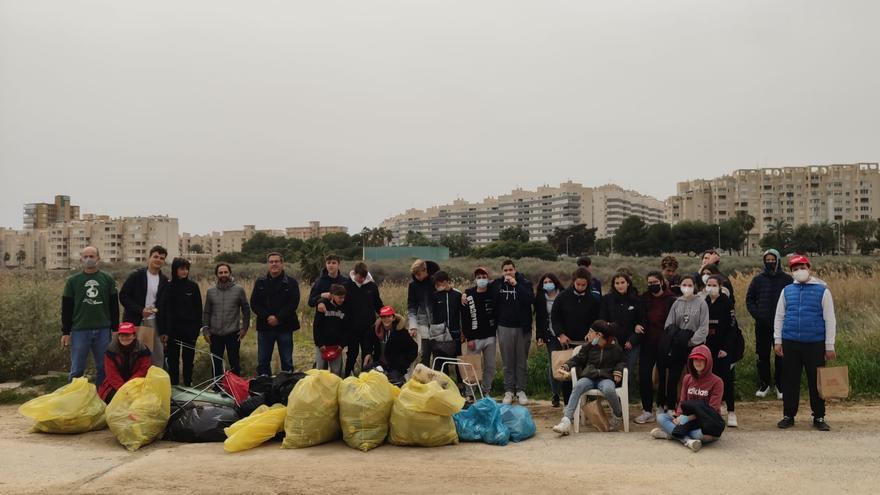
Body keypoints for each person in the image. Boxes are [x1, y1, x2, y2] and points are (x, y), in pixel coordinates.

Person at [774, 255, 837, 431]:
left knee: (816, 381)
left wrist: (829, 345)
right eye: (795, 269)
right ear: (791, 272)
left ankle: (819, 416)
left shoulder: (822, 290)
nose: (798, 271)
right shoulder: (787, 290)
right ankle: (788, 415)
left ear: (809, 268)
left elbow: (829, 319)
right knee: (790, 380)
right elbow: (779, 316)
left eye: (801, 267)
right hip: (790, 341)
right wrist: (777, 340)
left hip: (815, 343)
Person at [552, 320, 626, 435]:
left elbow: (621, 362)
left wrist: (618, 371)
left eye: (591, 332)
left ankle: (618, 415)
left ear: (599, 335)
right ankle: (566, 421)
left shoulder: (615, 348)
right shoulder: (588, 346)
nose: (588, 334)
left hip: (606, 378)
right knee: (578, 386)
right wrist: (566, 365)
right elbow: (577, 358)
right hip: (589, 377)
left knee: (609, 389)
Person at [61, 246, 119, 388]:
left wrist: (116, 328)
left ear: (98, 258)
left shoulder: (107, 279)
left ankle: (102, 397)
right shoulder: (73, 281)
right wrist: (66, 332)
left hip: (103, 330)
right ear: (81, 259)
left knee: (104, 367)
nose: (88, 259)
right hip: (80, 330)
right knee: (77, 369)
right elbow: (66, 308)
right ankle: (73, 398)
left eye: (92, 256)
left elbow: (114, 306)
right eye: (85, 256)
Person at [651, 345, 724, 452]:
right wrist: (679, 417)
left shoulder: (717, 382)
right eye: (695, 359)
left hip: (706, 422)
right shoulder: (687, 378)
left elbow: (712, 410)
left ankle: (670, 435)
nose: (698, 362)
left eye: (701, 360)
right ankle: (688, 441)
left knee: (699, 435)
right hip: (686, 422)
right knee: (661, 417)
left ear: (708, 361)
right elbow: (682, 400)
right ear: (691, 361)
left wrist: (687, 419)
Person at [746, 248, 792, 399]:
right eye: (768, 259)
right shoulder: (758, 280)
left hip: (782, 326)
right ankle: (764, 384)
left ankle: (781, 386)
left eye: (773, 259)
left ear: (778, 260)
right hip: (762, 325)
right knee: (762, 356)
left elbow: (792, 299)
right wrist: (758, 315)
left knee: (782, 356)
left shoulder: (787, 279)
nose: (770, 262)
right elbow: (750, 300)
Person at [660, 274, 709, 413]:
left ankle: (695, 406)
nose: (687, 288)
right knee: (674, 376)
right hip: (677, 345)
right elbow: (669, 324)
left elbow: (704, 327)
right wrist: (677, 338)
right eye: (684, 285)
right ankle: (670, 406)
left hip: (694, 346)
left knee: (695, 376)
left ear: (694, 287)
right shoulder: (677, 303)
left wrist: (691, 341)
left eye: (690, 285)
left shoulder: (701, 303)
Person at [250, 252, 301, 376]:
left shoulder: (291, 282)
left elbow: (293, 304)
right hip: (265, 327)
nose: (274, 264)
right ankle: (264, 388)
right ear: (268, 264)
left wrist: (278, 318)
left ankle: (286, 388)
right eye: (271, 262)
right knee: (263, 361)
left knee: (287, 361)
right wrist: (268, 317)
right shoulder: (260, 282)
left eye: (276, 261)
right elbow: (254, 304)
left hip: (285, 327)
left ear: (282, 263)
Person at [635, 271, 676, 424]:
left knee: (663, 376)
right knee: (644, 375)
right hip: (647, 342)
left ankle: (661, 405)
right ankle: (646, 409)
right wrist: (637, 325)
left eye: (655, 282)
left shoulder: (671, 299)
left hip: (664, 342)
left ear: (661, 282)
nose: (652, 285)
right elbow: (639, 317)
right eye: (649, 283)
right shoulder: (644, 299)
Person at [492, 260, 534, 405]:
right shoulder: (497, 284)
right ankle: (509, 390)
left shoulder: (525, 283)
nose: (508, 273)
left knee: (521, 361)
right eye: (505, 270)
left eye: (510, 269)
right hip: (504, 327)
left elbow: (530, 299)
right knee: (508, 362)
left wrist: (516, 284)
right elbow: (485, 296)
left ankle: (520, 390)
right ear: (502, 272)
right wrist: (465, 294)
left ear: (515, 270)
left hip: (522, 328)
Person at [119, 245, 169, 367]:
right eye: (155, 256)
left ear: (164, 262)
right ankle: (134, 383)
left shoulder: (164, 280)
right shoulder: (136, 276)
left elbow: (165, 306)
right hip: (136, 321)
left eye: (161, 258)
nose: (158, 260)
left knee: (157, 358)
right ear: (149, 258)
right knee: (135, 356)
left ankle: (154, 384)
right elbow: (123, 296)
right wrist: (140, 310)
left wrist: (165, 331)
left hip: (155, 322)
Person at [202, 263, 250, 379]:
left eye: (225, 272)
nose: (223, 274)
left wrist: (244, 328)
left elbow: (246, 309)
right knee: (216, 363)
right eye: (220, 272)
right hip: (215, 334)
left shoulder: (238, 290)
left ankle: (235, 389)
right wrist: (205, 330)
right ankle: (217, 388)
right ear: (217, 274)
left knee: (234, 362)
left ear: (230, 273)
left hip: (233, 333)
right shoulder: (211, 291)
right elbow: (206, 312)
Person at [599, 272, 645, 390]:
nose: (620, 285)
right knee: (613, 370)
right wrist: (610, 338)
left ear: (628, 283)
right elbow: (603, 320)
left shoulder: (637, 300)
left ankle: (628, 395)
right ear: (613, 285)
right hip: (613, 342)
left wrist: (632, 340)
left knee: (628, 370)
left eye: (622, 282)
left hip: (632, 342)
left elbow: (642, 322)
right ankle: (613, 394)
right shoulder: (607, 300)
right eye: (617, 283)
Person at [162, 257, 202, 386]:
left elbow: (198, 310)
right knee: (173, 361)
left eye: (186, 269)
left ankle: (187, 385)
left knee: (188, 360)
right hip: (172, 331)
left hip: (189, 331)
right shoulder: (168, 286)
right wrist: (165, 331)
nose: (184, 272)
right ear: (175, 269)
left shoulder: (193, 286)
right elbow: (165, 310)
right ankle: (173, 386)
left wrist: (196, 330)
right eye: (181, 269)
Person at [704, 275, 738, 427]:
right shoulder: (704, 302)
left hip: (722, 348)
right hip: (707, 347)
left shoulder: (726, 302)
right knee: (708, 379)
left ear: (720, 286)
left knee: (726, 380)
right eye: (708, 284)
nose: (711, 287)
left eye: (713, 285)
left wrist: (726, 348)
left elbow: (732, 328)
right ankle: (712, 410)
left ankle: (731, 412)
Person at [343, 262, 383, 377]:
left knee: (367, 353)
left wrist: (387, 315)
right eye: (359, 277)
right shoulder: (347, 285)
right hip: (352, 328)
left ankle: (366, 376)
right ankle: (347, 375)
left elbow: (378, 304)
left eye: (364, 277)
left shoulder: (372, 286)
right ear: (354, 273)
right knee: (352, 353)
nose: (361, 279)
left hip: (368, 328)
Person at [462, 267, 497, 397]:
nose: (481, 280)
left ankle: (486, 390)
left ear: (488, 279)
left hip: (490, 337)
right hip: (474, 338)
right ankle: (470, 393)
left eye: (484, 277)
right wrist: (469, 337)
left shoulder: (493, 292)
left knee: (490, 366)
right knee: (472, 366)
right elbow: (465, 318)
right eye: (479, 277)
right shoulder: (469, 294)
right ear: (475, 279)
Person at [363, 306, 418, 386]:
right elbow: (367, 339)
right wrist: (368, 353)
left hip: (396, 365)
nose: (386, 319)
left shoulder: (401, 332)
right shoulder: (376, 329)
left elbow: (414, 348)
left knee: (391, 382)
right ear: (380, 318)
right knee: (366, 371)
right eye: (383, 317)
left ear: (393, 318)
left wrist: (403, 363)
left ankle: (401, 381)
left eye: (389, 316)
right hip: (381, 363)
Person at [98, 322, 151, 403]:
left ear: (134, 336)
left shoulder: (143, 349)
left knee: (144, 399)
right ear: (118, 336)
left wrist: (130, 386)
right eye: (122, 335)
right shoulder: (111, 350)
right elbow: (111, 374)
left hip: (137, 382)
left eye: (128, 335)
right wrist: (123, 389)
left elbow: (143, 370)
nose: (124, 338)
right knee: (113, 398)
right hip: (116, 384)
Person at [421, 271, 462, 370]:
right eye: (436, 284)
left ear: (446, 282)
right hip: (440, 334)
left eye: (439, 284)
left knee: (458, 360)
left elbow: (463, 314)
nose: (437, 286)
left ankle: (461, 384)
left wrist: (463, 331)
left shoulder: (458, 294)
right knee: (441, 361)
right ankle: (443, 383)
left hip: (455, 332)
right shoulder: (435, 296)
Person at [534, 272, 565, 407]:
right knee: (554, 364)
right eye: (545, 282)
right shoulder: (540, 298)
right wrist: (539, 336)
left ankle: (568, 392)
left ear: (555, 282)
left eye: (549, 281)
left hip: (564, 335)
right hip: (550, 335)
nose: (547, 284)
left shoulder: (563, 295)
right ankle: (555, 394)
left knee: (567, 363)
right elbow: (539, 318)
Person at [313, 284, 352, 376]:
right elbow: (317, 326)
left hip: (337, 346)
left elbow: (347, 328)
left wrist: (342, 344)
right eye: (339, 297)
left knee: (336, 371)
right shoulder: (323, 306)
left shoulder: (345, 307)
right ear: (333, 295)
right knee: (320, 370)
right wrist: (320, 343)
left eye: (343, 297)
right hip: (322, 345)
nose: (342, 300)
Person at [406, 258, 441, 340]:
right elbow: (411, 307)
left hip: (438, 323)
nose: (416, 277)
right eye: (415, 274)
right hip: (422, 324)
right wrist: (413, 326)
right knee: (425, 352)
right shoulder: (412, 285)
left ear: (425, 270)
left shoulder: (435, 282)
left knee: (439, 351)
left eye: (418, 274)